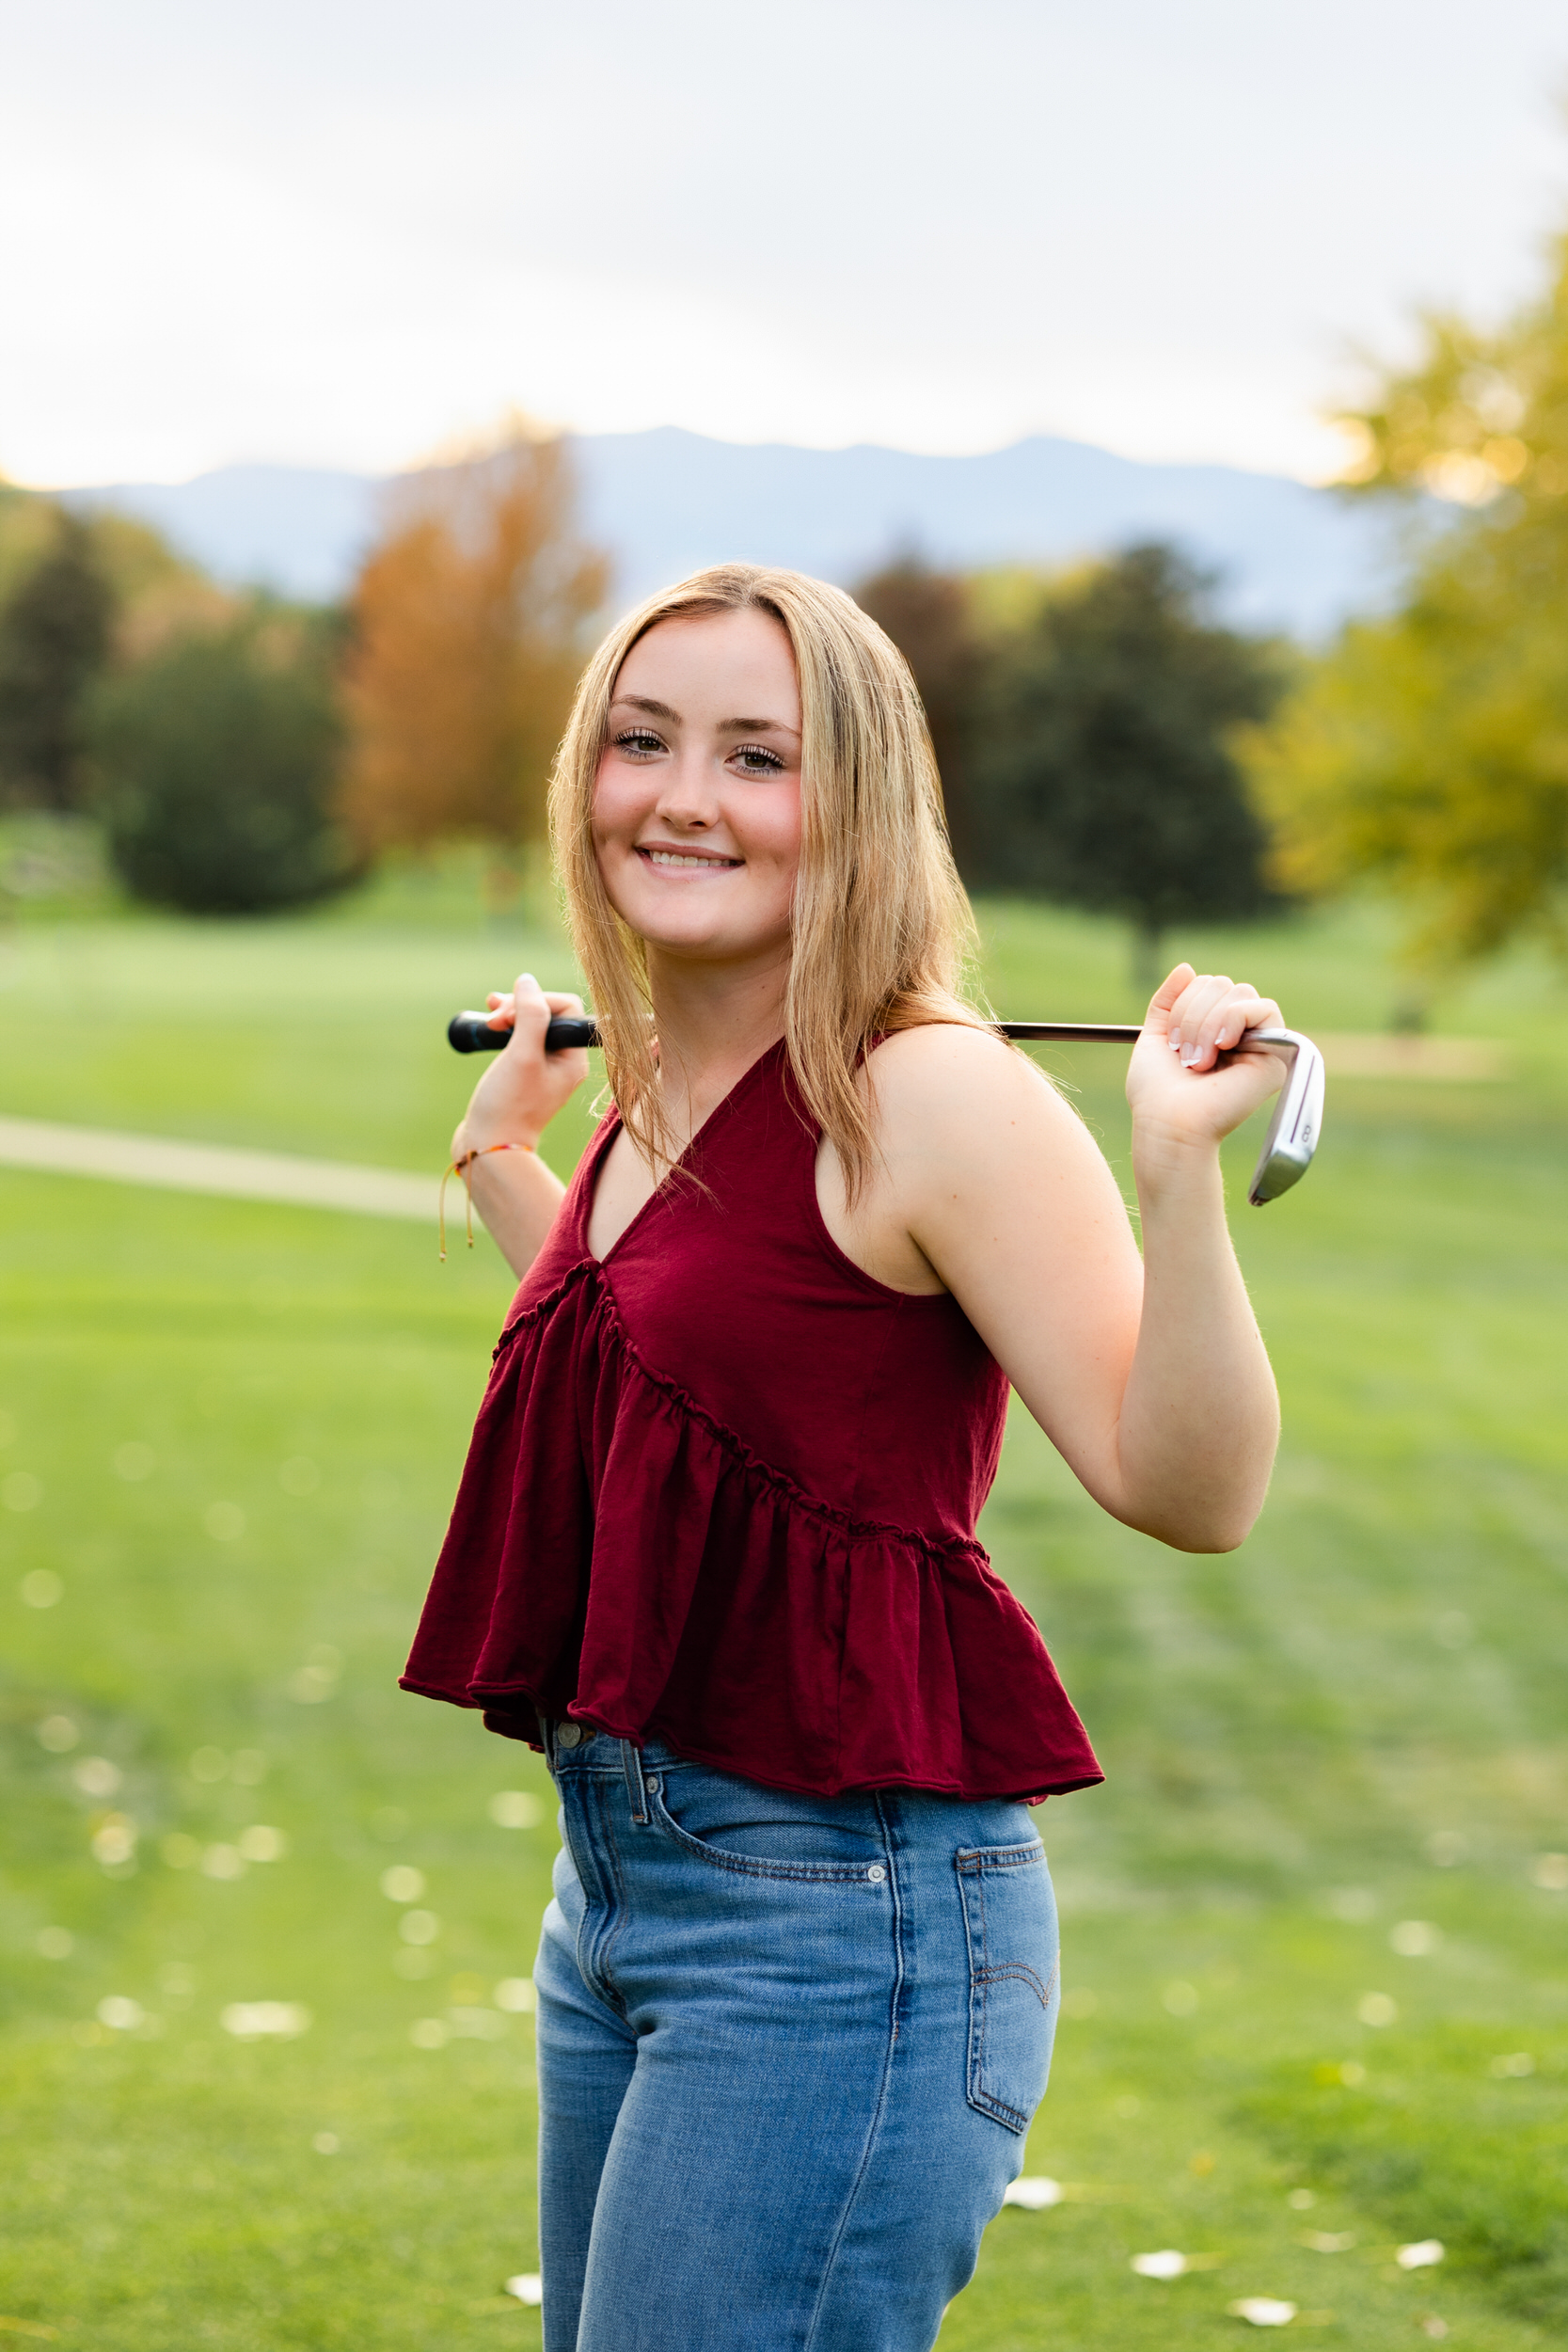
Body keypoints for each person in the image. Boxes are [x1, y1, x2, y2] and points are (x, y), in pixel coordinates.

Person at [402, 564, 1284, 2352]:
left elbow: (1193, 1491)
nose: (685, 798)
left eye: (759, 757)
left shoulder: (933, 1096)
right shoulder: (661, 1090)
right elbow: (685, 1386)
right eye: (642, 743)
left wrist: (1178, 1178)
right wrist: (513, 1164)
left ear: (860, 800)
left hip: (838, 1923)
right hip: (627, 1891)